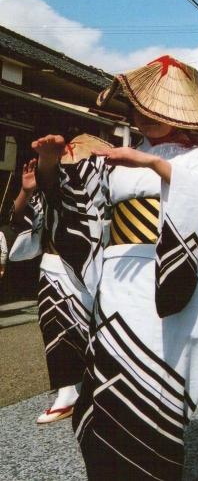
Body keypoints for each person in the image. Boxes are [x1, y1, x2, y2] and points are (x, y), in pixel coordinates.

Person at [33, 55, 198, 480]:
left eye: (160, 111)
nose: (148, 119)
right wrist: (49, 162)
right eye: (142, 110)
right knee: (107, 378)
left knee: (154, 373)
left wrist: (154, 165)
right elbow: (76, 206)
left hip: (163, 276)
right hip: (115, 279)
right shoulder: (123, 155)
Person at [8, 135, 106, 424]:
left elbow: (54, 186)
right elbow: (16, 218)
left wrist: (48, 163)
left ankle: (89, 386)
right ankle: (68, 390)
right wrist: (26, 191)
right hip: (52, 265)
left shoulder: (93, 188)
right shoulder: (48, 186)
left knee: (91, 329)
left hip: (88, 267)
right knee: (55, 328)